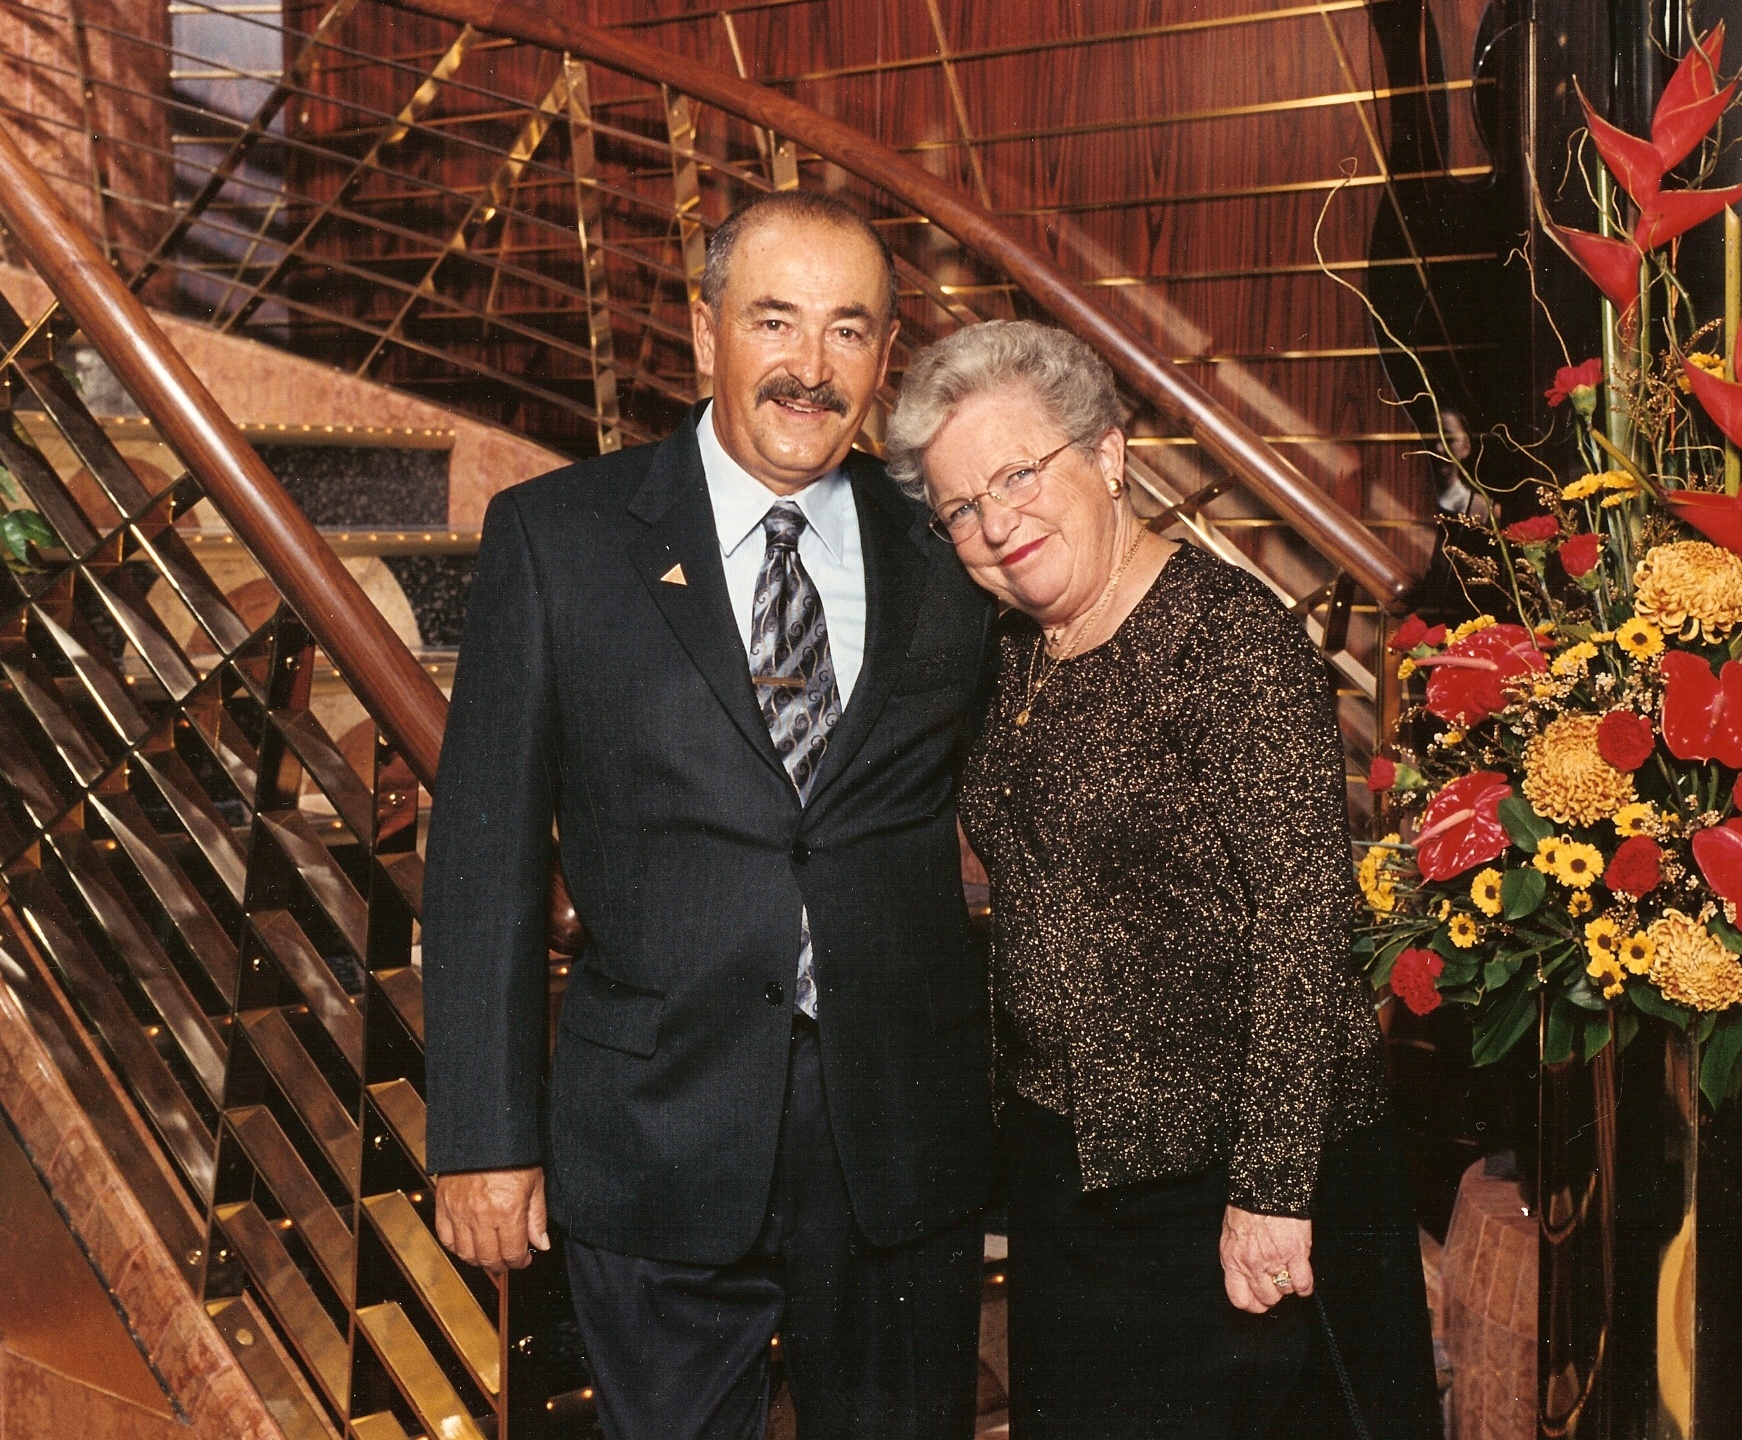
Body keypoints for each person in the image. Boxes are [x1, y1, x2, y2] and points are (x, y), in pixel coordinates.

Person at [421, 192, 999, 1440]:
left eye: (848, 330)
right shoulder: (559, 539)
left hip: (900, 1136)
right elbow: (482, 859)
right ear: (703, 333)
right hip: (655, 1133)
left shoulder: (947, 553)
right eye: (773, 321)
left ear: (884, 357)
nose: (809, 367)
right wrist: (481, 1135)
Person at [885, 320, 1440, 1440]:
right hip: (1071, 1179)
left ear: (1107, 456)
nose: (996, 525)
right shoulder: (1018, 650)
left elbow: (1303, 923)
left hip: (1229, 1178)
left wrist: (1270, 1193)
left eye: (1017, 475)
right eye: (960, 508)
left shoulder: (1228, 642)